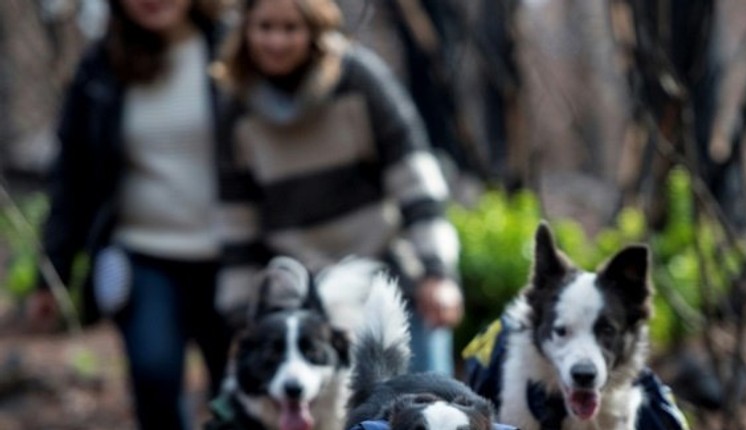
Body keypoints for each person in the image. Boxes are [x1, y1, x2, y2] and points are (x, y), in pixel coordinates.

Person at [218, 0, 464, 374]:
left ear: (314, 30)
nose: (276, 41)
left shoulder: (359, 79)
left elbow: (415, 180)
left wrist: (437, 273)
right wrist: (241, 317)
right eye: (265, 27)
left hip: (387, 274)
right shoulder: (236, 110)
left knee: (428, 398)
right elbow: (237, 223)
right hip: (302, 299)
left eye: (290, 28)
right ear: (246, 30)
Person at [25, 1, 232, 429]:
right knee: (153, 376)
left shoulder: (234, 50)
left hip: (234, 255)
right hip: (143, 256)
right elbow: (73, 178)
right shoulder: (101, 67)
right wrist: (53, 272)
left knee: (235, 386)